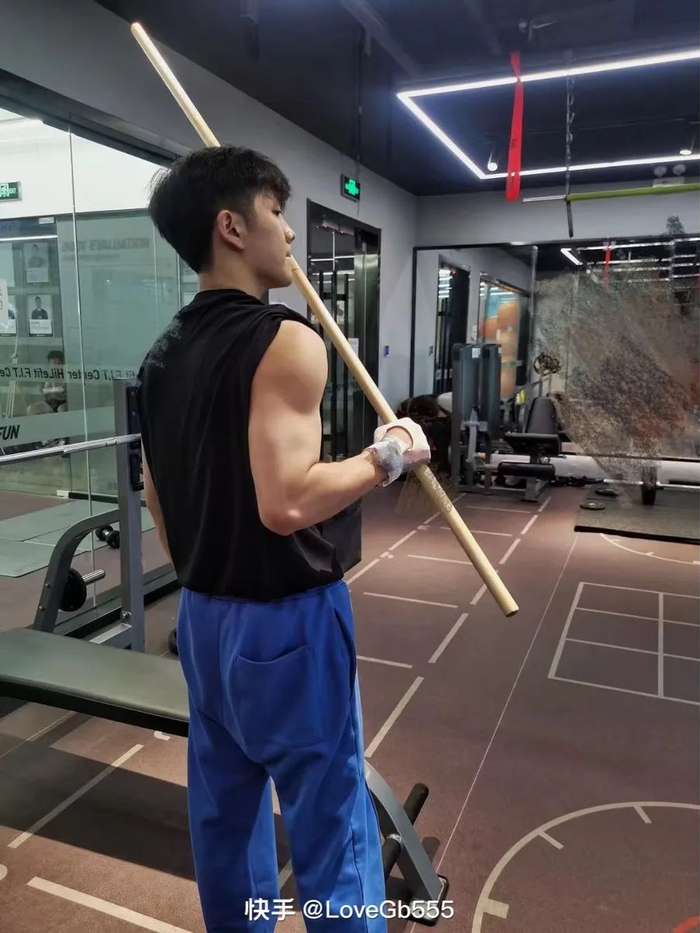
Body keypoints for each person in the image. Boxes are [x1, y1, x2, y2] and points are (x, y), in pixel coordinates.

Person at [136, 146, 430, 932]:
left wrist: (210, 567)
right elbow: (288, 500)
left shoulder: (158, 358)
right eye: (276, 213)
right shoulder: (287, 340)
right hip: (288, 625)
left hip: (203, 618)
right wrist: (389, 453)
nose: (291, 234)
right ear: (231, 228)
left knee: (226, 820)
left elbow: (158, 495)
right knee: (331, 826)